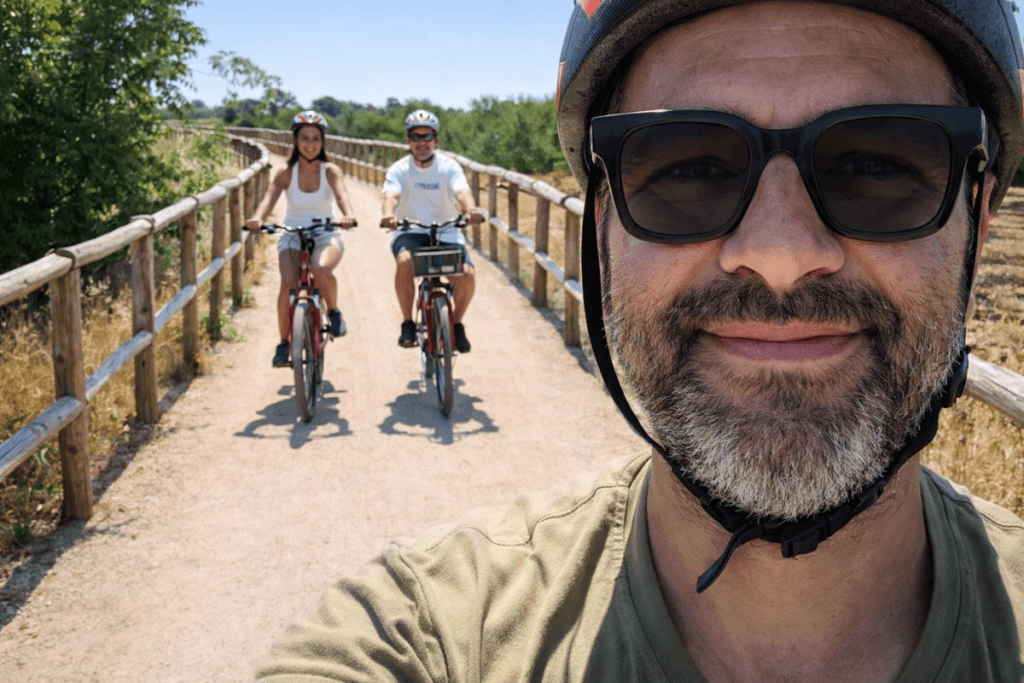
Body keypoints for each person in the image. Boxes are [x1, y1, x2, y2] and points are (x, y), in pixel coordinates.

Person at [255, 2, 1024, 680]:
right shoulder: (430, 633)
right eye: (688, 167)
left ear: (980, 222)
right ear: (601, 226)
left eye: (876, 165)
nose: (781, 252)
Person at [246, 110, 357, 368]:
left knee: (320, 268)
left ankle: (334, 311)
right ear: (295, 141)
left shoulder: (331, 171)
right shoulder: (285, 172)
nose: (310, 144)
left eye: (315, 138)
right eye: (304, 138)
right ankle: (284, 343)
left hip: (326, 232)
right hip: (292, 233)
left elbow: (342, 197)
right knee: (288, 283)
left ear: (322, 142)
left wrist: (349, 215)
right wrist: (257, 219)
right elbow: (269, 198)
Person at [379, 109, 483, 352]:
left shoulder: (448, 166)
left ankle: (456, 324)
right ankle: (407, 323)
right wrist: (388, 214)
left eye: (427, 137)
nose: (422, 142)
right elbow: (390, 195)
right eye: (416, 137)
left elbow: (462, 191)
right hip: (410, 231)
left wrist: (470, 209)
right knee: (404, 262)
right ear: (408, 140)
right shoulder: (399, 169)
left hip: (447, 231)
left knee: (467, 275)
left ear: (436, 140)